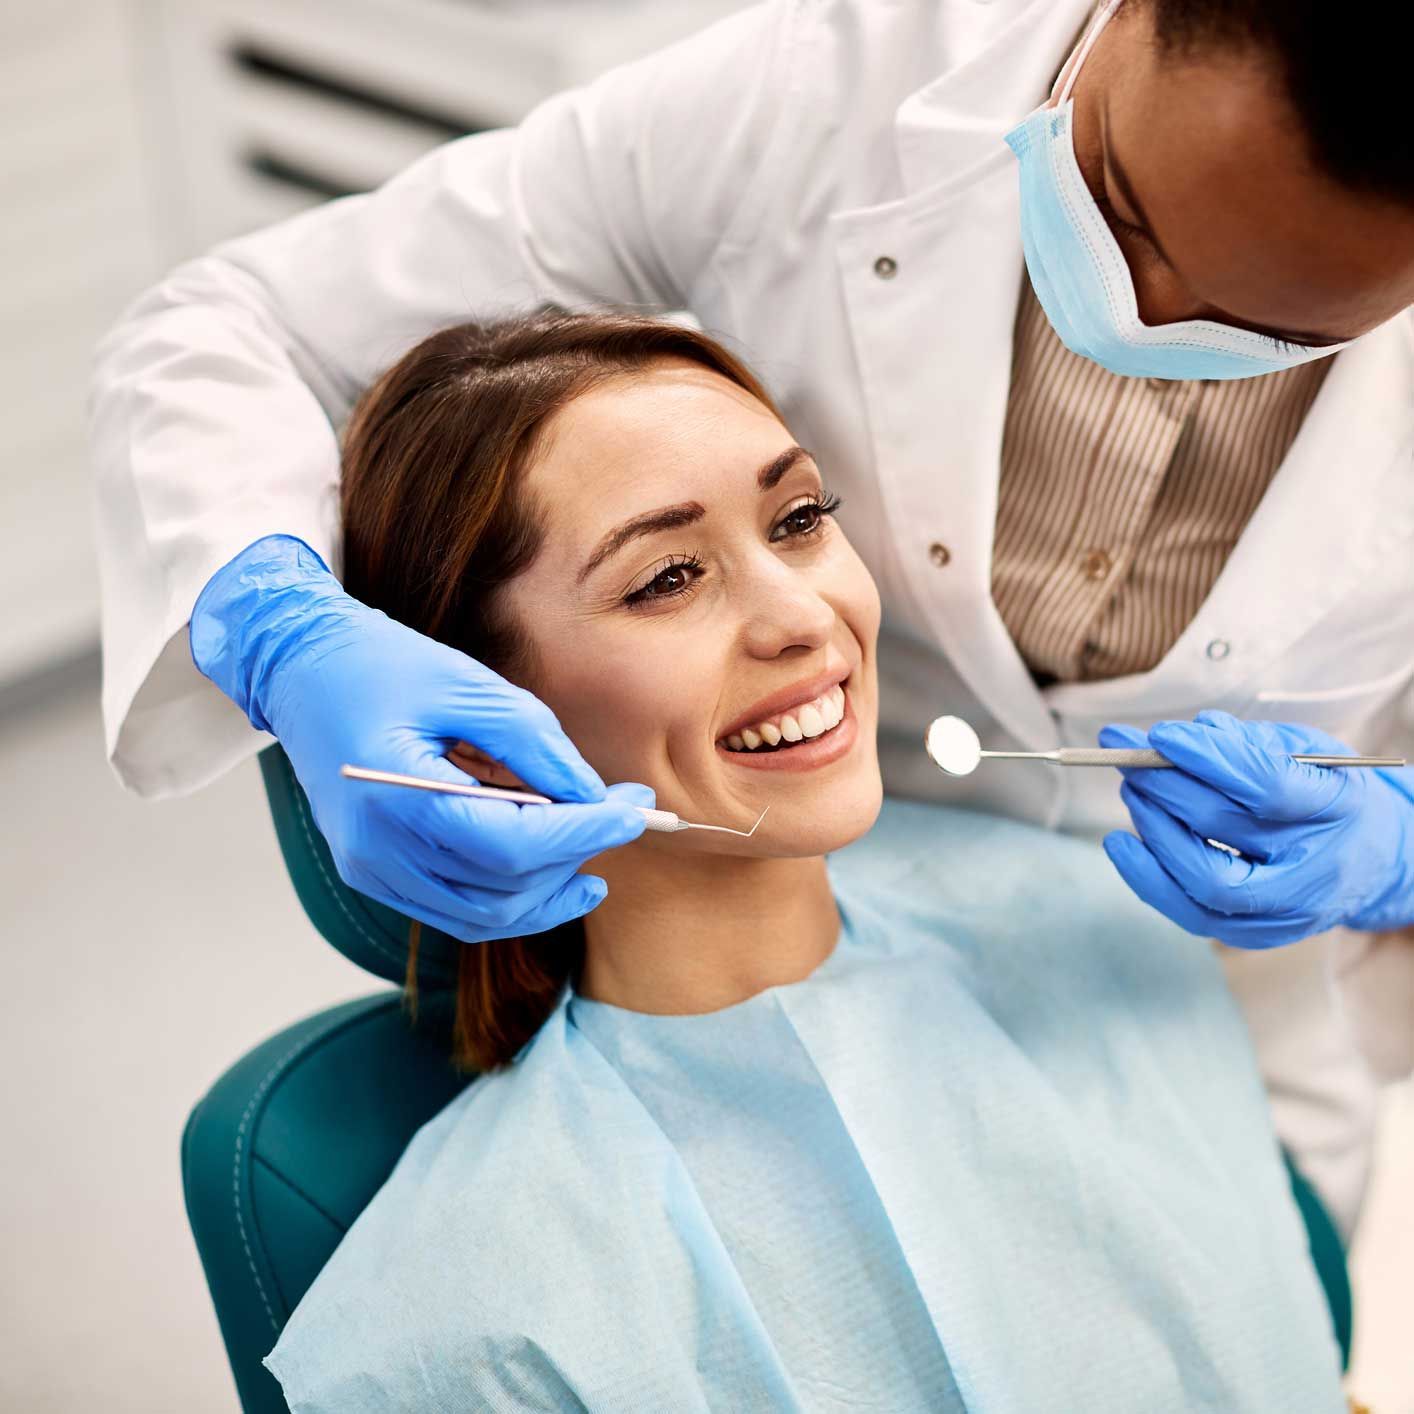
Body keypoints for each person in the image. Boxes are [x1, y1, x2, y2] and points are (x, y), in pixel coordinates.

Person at [91, 0, 1414, 1230]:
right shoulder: (828, 87)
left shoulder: (1228, 1194)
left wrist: (1395, 842)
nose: (1143, 315)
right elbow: (228, 326)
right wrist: (277, 627)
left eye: (1267, 328)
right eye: (1121, 210)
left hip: (1211, 1032)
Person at [262, 309, 1345, 1411]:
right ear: (475, 726)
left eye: (797, 518)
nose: (802, 616)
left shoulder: (1094, 928)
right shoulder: (469, 1330)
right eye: (666, 577)